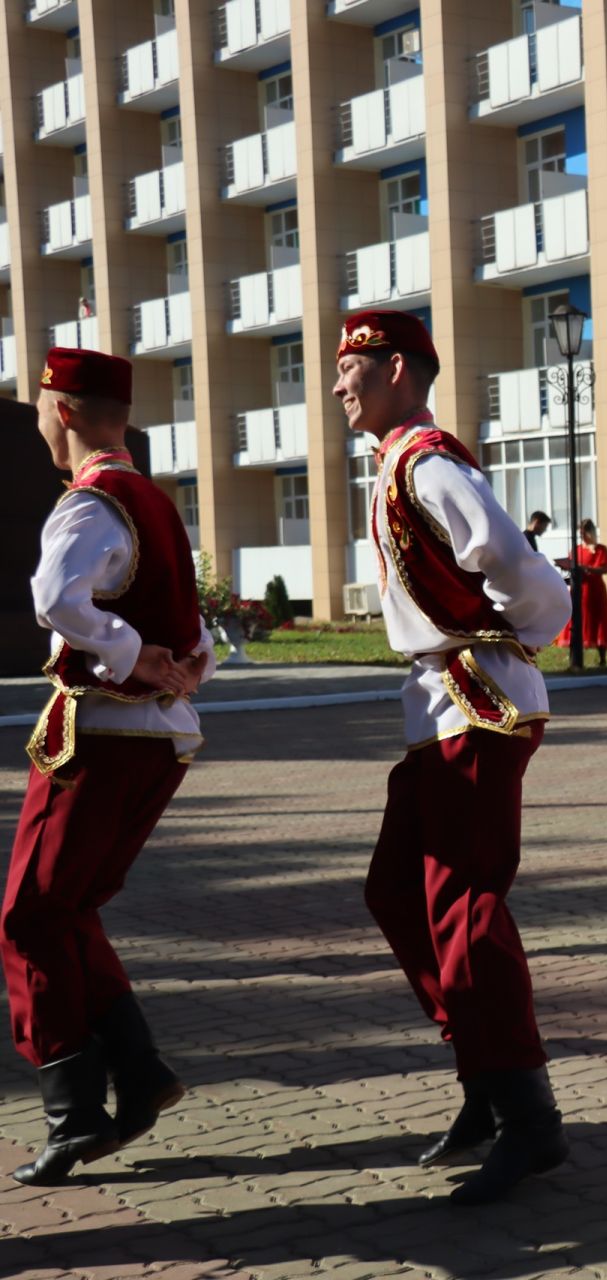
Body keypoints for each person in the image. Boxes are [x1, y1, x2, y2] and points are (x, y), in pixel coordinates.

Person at [334, 310, 572, 1205]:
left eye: (350, 365)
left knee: (464, 907)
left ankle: (526, 1115)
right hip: (443, 702)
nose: (338, 385)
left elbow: (515, 563)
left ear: (397, 366)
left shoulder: (427, 459)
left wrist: (525, 633)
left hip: (477, 698)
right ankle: (483, 1072)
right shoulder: (400, 461)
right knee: (396, 890)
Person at [3, 348, 212, 1186]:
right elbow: (192, 622)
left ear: (69, 409)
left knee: (27, 916)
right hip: (157, 736)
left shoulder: (89, 503)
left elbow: (56, 599)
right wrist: (176, 663)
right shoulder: (154, 503)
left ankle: (75, 1106)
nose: (43, 426)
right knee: (73, 907)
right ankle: (140, 1070)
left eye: (46, 407)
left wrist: (128, 654)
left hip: (101, 735)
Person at [556, 519, 607, 666]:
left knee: (598, 620)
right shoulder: (576, 549)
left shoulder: (601, 549)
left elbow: (606, 568)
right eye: (580, 533)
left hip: (595, 590)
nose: (582, 536)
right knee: (576, 621)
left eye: (584, 533)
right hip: (579, 589)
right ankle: (573, 657)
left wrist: (587, 568)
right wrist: (567, 566)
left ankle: (602, 658)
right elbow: (571, 564)